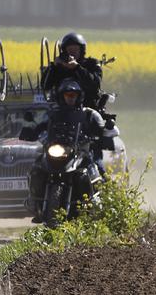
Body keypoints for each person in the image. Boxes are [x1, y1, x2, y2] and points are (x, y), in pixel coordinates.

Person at [20, 77, 120, 223]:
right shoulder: (53, 114)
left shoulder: (89, 114)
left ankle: (97, 204)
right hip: (57, 149)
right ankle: (34, 202)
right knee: (36, 169)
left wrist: (105, 132)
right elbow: (41, 126)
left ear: (79, 96)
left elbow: (101, 129)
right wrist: (30, 132)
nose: (70, 98)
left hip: (80, 153)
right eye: (68, 95)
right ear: (62, 96)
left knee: (94, 172)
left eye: (73, 95)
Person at [41, 32, 102, 108]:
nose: (72, 52)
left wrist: (77, 68)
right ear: (64, 51)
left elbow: (95, 84)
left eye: (75, 49)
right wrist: (53, 67)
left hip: (88, 108)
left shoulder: (91, 64)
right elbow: (45, 86)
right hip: (61, 109)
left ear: (81, 50)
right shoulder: (58, 66)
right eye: (70, 49)